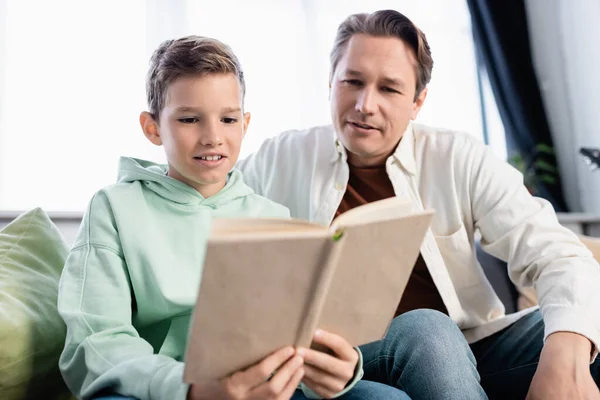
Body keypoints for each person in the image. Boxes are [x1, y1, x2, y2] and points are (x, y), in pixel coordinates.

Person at [238, 9, 600, 400]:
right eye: (352, 82)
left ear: (417, 101)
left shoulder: (457, 157)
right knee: (429, 329)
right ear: (330, 83)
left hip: (463, 351)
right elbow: (203, 203)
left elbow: (558, 254)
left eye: (389, 89)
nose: (364, 104)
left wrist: (566, 360)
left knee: (580, 325)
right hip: (343, 359)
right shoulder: (279, 158)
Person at [57, 35, 387, 400]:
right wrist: (193, 389)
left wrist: (337, 367)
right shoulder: (114, 208)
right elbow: (96, 341)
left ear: (245, 124)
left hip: (265, 386)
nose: (212, 137)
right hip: (159, 389)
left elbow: (297, 333)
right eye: (189, 119)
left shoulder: (273, 218)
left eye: (228, 119)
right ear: (152, 128)